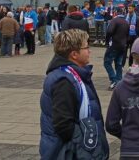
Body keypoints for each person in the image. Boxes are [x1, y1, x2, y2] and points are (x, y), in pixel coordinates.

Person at [39, 29, 109, 160]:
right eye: (86, 47)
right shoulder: (64, 81)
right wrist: (85, 144)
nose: (90, 51)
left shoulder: (72, 75)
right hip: (69, 152)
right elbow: (63, 125)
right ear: (74, 54)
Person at [104, 7, 129, 91]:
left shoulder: (114, 20)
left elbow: (109, 31)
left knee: (107, 62)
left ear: (115, 13)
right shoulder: (126, 22)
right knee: (118, 64)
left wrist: (107, 41)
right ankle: (119, 81)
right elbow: (128, 34)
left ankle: (114, 80)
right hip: (123, 46)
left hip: (114, 45)